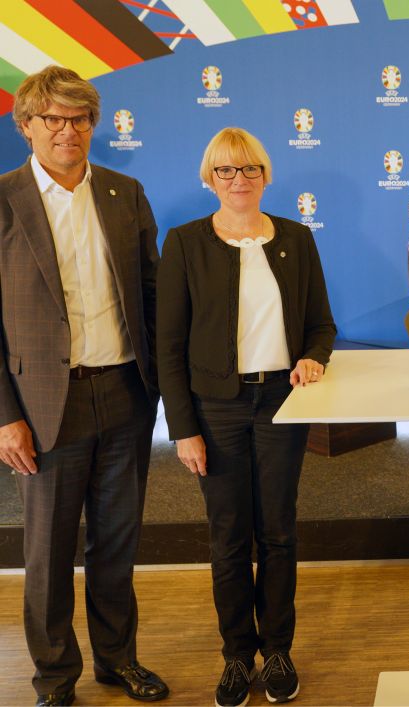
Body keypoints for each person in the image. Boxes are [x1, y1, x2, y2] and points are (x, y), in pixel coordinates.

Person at [0, 66, 166, 707]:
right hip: (43, 407)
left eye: (79, 118)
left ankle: (117, 661)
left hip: (124, 394)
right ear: (27, 126)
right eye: (53, 119)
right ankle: (54, 680)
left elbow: (151, 296)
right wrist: (5, 416)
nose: (67, 130)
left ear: (94, 125)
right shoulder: (4, 199)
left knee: (116, 544)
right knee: (47, 553)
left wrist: (161, 391)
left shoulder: (125, 193)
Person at [157, 128, 336, 706]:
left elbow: (321, 324)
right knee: (229, 537)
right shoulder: (185, 243)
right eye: (227, 170)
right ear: (209, 178)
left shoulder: (296, 238)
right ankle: (237, 656)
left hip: (281, 404)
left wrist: (313, 356)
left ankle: (278, 650)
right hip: (216, 410)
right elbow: (168, 346)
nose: (239, 180)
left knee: (278, 533)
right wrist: (183, 429)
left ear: (266, 174)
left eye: (250, 168)